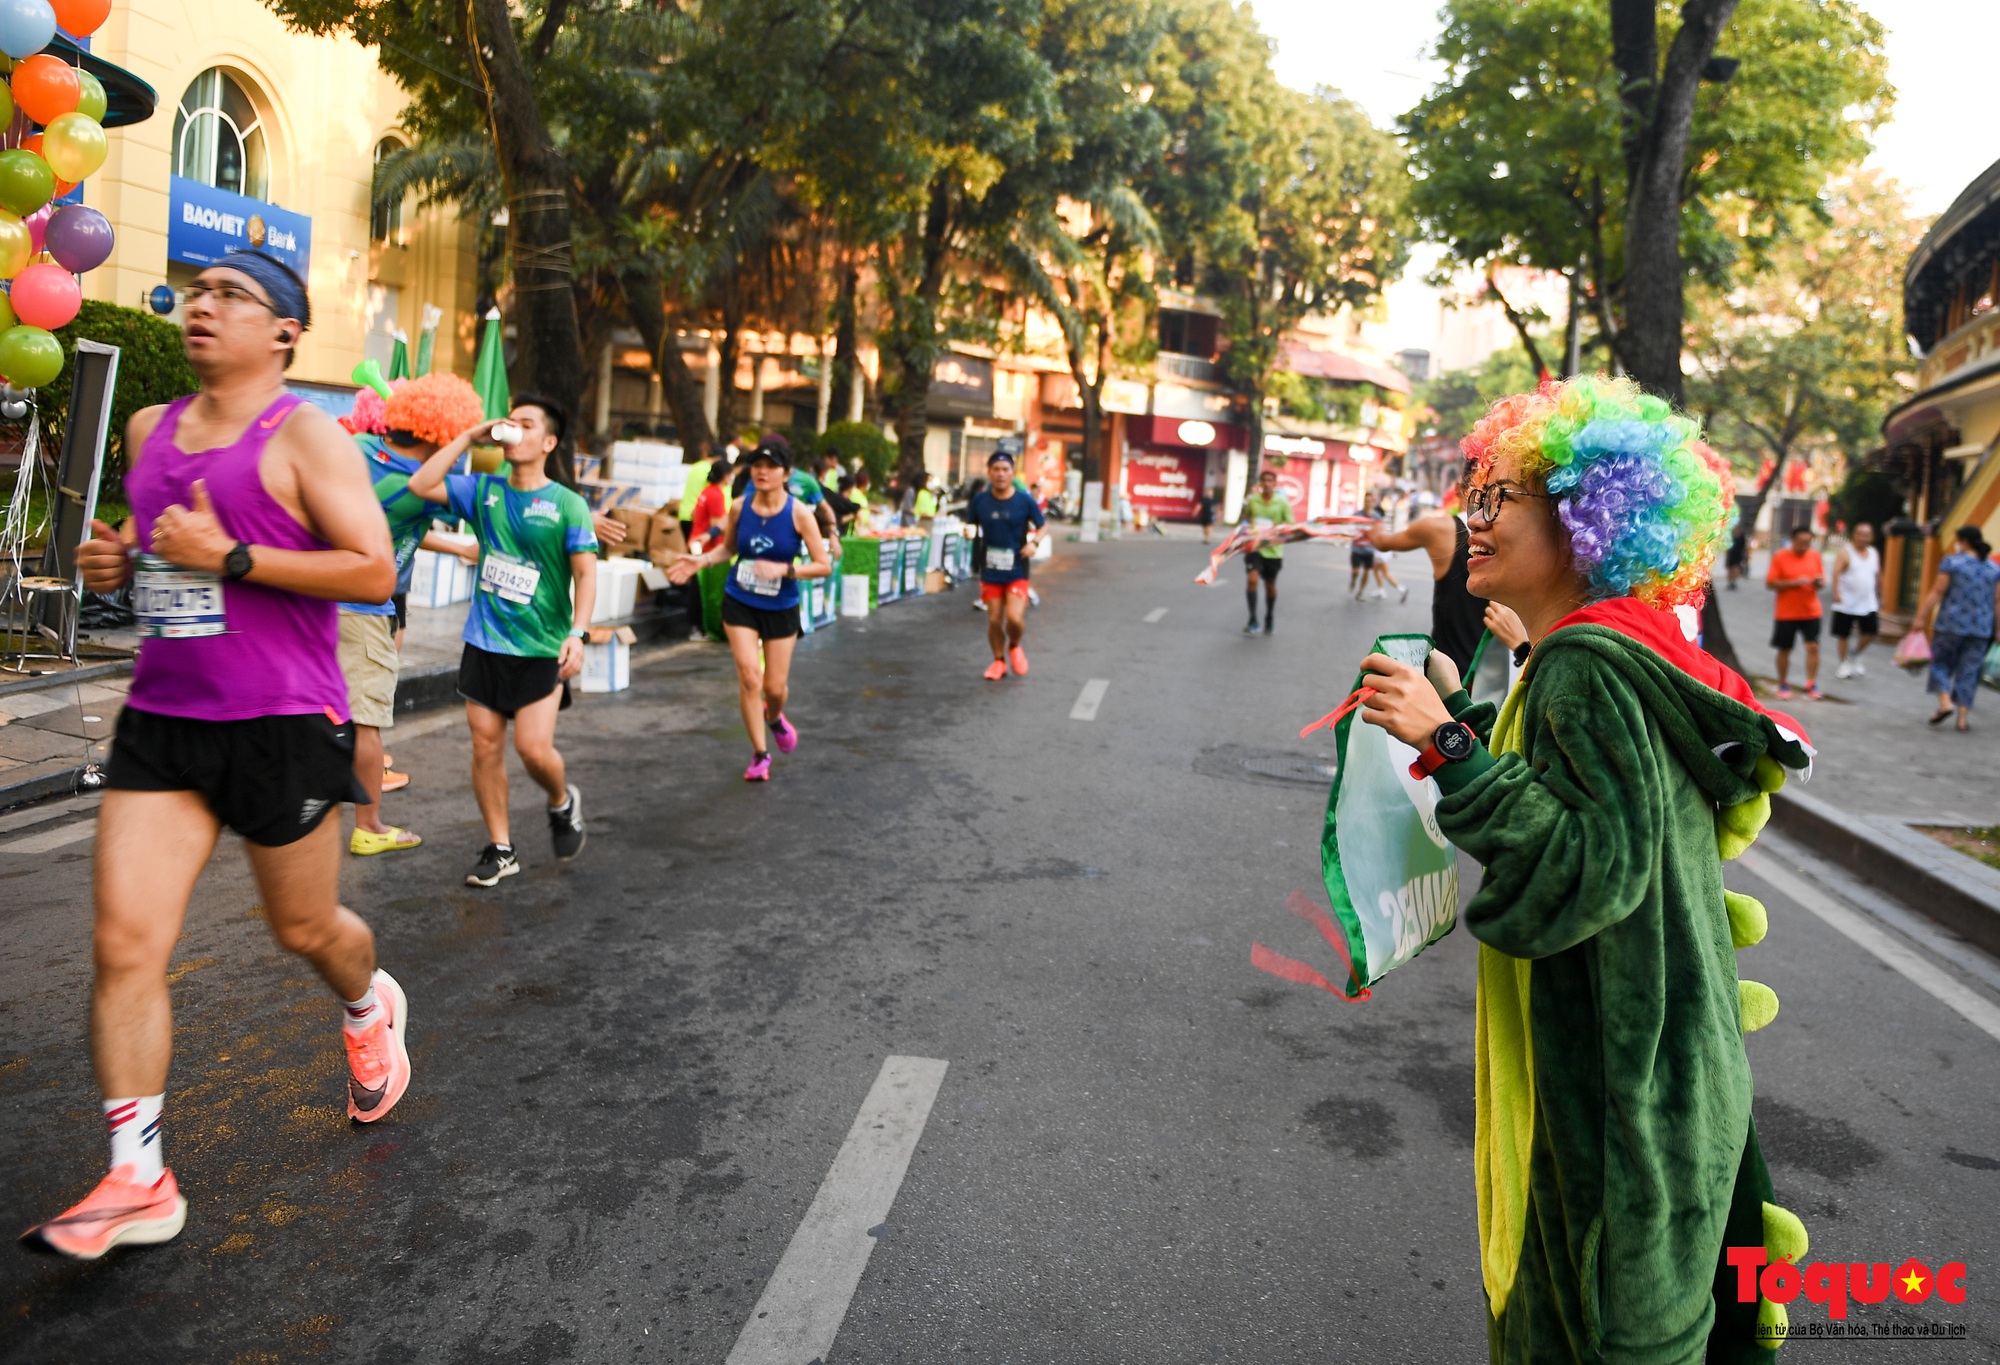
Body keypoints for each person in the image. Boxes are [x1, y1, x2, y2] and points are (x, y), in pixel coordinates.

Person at [1355, 375, 1812, 1361]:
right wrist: (1468, 717)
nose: (1466, 518)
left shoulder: (1584, 665)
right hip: (1663, 1079)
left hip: (1614, 1100)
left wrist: (1450, 750)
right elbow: (1595, 808)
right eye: (1468, 493)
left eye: (1494, 498)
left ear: (1585, 515)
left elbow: (1585, 868)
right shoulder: (1604, 650)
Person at [27, 251, 411, 1261]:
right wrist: (120, 557)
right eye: (198, 290)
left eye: (232, 295)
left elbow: (371, 565)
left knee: (306, 930)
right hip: (163, 715)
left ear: (284, 331)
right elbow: (160, 548)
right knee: (123, 947)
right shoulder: (150, 428)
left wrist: (232, 558)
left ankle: (370, 1005)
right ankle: (137, 1175)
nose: (204, 304)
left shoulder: (306, 436)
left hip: (279, 721)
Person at [407, 396, 596, 887]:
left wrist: (579, 633)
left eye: (526, 424)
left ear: (548, 442)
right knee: (485, 747)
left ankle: (561, 801)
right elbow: (421, 484)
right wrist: (470, 437)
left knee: (534, 750)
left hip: (540, 646)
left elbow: (586, 575)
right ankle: (501, 848)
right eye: (511, 421)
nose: (514, 429)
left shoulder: (566, 504)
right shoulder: (483, 490)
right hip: (485, 641)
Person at [338, 373, 486, 856]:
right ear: (442, 437)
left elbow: (392, 522)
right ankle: (370, 826)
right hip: (359, 610)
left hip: (311, 598)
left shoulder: (358, 448)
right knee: (367, 723)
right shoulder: (421, 487)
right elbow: (411, 500)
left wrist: (453, 547)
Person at [665, 436, 832, 778]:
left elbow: (823, 564)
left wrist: (785, 569)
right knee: (749, 677)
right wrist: (702, 561)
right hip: (740, 599)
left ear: (786, 473)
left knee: (774, 687)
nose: (762, 472)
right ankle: (760, 754)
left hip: (782, 604)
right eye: (757, 465)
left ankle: (774, 717)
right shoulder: (740, 506)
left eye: (771, 466)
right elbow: (727, 549)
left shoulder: (799, 513)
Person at [1360, 491, 1488, 674]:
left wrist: (1373, 527)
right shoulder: (1510, 533)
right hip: (1493, 678)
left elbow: (1382, 541)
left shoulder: (1440, 528)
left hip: (1448, 674)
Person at [967, 449, 1046, 678]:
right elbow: (971, 523)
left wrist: (1035, 543)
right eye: (996, 469)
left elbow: (1043, 526)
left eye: (1005, 470)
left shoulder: (1025, 500)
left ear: (1012, 473)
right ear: (989, 472)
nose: (1000, 474)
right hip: (990, 569)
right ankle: (998, 661)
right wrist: (967, 531)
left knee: (1013, 618)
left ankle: (1015, 645)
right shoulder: (980, 500)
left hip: (1017, 568)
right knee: (993, 620)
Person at [1916, 524, 2000, 732]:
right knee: (1969, 672)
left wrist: (1921, 618)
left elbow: (1937, 592)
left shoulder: (1952, 563)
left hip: (1950, 625)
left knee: (1939, 664)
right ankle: (1962, 719)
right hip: (1981, 628)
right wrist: (1998, 629)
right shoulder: (1993, 569)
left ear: (1962, 541)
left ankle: (1945, 703)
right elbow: (1997, 602)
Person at [1765, 524, 1824, 701]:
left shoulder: (1815, 556)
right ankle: (1783, 683)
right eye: (1800, 543)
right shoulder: (1780, 557)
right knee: (1785, 649)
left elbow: (1822, 582)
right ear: (1792, 540)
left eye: (1808, 543)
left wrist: (1817, 583)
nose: (1804, 546)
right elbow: (1770, 583)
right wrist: (1795, 582)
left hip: (1811, 611)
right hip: (1787, 612)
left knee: (1813, 647)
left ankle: (1811, 683)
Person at [1238, 467, 1292, 634]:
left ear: (1274, 484)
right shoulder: (1253, 501)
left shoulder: (1282, 503)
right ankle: (1253, 618)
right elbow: (1246, 519)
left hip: (1273, 550)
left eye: (1270, 481)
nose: (1267, 484)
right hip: (1254, 547)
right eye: (1264, 481)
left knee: (1270, 585)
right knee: (1252, 579)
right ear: (1260, 484)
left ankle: (1269, 616)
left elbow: (1291, 525)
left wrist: (1279, 528)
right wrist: (1244, 532)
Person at [1829, 521, 1880, 679]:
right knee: (1843, 634)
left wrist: (1881, 594)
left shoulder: (1873, 553)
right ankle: (1844, 663)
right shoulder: (1845, 552)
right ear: (1854, 535)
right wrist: (1836, 592)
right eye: (1860, 534)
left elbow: (1878, 575)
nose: (1863, 538)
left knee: (1870, 633)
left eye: (1867, 535)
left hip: (1868, 601)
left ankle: (1855, 654)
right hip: (1847, 602)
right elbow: (1836, 573)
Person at [689, 457, 732, 552]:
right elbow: (716, 525)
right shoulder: (716, 495)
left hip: (696, 538)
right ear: (726, 476)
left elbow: (693, 514)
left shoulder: (706, 491)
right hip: (708, 546)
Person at [678, 446, 716, 543]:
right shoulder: (710, 470)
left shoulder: (695, 466)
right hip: (695, 514)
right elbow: (706, 494)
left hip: (683, 512)